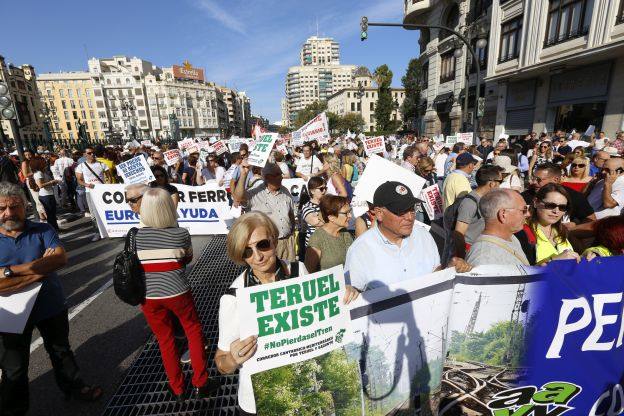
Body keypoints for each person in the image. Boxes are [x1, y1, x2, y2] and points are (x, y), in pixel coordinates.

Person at [0, 182, 102, 416]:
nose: (8, 213)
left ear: (25, 206)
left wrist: (9, 271)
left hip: (49, 306)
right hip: (10, 314)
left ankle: (74, 387)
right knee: (14, 367)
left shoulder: (43, 230)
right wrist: (38, 270)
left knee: (61, 351)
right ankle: (13, 410)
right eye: (2, 208)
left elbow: (58, 260)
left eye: (14, 207)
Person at [215, 212, 308, 415]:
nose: (257, 257)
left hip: (302, 390)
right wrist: (233, 359)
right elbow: (221, 363)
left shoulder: (299, 271)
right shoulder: (233, 298)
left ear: (274, 240)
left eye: (263, 244)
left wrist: (345, 296)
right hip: (257, 401)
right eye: (247, 251)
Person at [135, 187, 219, 401]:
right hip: (177, 291)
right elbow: (186, 259)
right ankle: (201, 381)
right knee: (193, 331)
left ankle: (177, 387)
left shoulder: (135, 237)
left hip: (148, 295)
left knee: (165, 339)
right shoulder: (180, 233)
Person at [345, 181, 471, 295]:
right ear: (379, 213)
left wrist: (448, 269)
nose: (410, 217)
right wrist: (349, 291)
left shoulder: (423, 235)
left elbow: (433, 274)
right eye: (401, 212)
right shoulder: (360, 249)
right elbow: (352, 294)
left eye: (411, 210)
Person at [232, 161, 297, 261]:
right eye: (276, 175)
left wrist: (292, 233)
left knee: (290, 272)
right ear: (266, 177)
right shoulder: (255, 193)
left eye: (280, 174)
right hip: (268, 246)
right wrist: (244, 174)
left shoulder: (285, 191)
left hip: (288, 242)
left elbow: (291, 214)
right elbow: (238, 197)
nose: (280, 177)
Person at [447, 165, 503, 260]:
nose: (500, 185)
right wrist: (462, 258)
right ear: (491, 184)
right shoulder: (470, 203)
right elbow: (459, 234)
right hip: (469, 252)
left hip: (479, 250)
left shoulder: (484, 199)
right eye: (500, 181)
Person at [517, 183, 579, 265]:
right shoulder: (521, 231)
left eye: (562, 207)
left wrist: (590, 253)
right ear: (536, 202)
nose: (556, 211)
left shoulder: (563, 231)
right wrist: (552, 260)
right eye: (550, 205)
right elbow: (520, 270)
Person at [466, 189, 531, 266]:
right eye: (524, 210)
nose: (528, 214)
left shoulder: (511, 237)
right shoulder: (484, 258)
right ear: (503, 214)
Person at [523, 162, 595, 231]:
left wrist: (575, 224)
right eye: (534, 178)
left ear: (555, 180)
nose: (534, 182)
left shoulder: (573, 196)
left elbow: (591, 219)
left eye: (562, 207)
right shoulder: (525, 196)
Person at [305, 195, 354, 272]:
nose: (350, 216)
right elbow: (308, 272)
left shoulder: (345, 233)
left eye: (350, 212)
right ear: (331, 217)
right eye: (346, 213)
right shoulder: (317, 239)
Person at [75, 147, 110, 242]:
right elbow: (79, 180)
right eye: (89, 153)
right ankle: (97, 232)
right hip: (90, 192)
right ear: (84, 155)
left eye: (93, 153)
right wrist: (87, 185)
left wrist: (107, 186)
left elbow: (109, 176)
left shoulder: (101, 164)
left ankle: (109, 230)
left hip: (102, 192)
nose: (92, 154)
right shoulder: (81, 166)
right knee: (94, 214)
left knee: (105, 211)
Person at [31, 156, 60, 231]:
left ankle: (56, 228)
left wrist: (53, 182)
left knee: (52, 214)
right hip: (45, 195)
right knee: (50, 214)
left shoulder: (42, 172)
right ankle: (53, 230)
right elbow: (40, 185)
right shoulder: (38, 173)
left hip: (49, 194)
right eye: (43, 161)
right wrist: (52, 182)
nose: (45, 162)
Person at [300, 177, 326, 249]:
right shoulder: (306, 206)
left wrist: (319, 216)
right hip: (314, 245)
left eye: (325, 188)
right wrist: (330, 217)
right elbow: (315, 222)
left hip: (328, 243)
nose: (324, 191)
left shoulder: (327, 204)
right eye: (321, 189)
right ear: (312, 191)